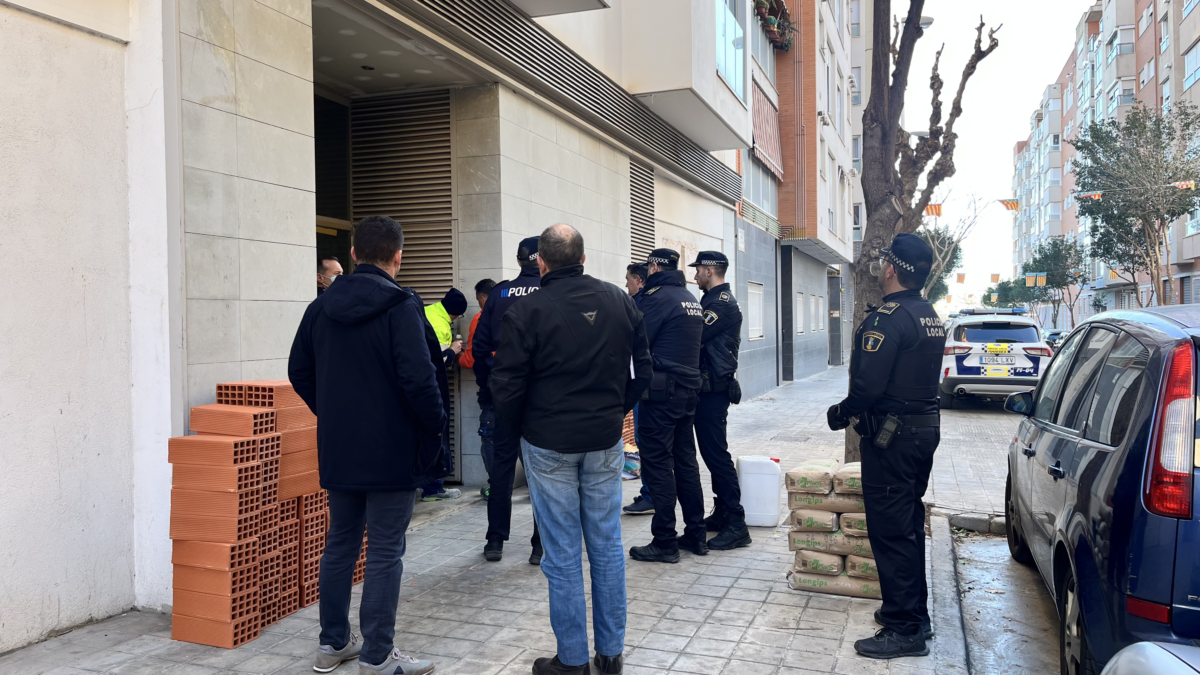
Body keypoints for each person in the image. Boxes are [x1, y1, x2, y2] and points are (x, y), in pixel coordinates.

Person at [491, 224, 652, 675]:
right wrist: (614, 411)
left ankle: (573, 660)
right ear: (583, 259)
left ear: (540, 262)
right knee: (606, 545)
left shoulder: (527, 311)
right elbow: (643, 371)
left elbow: (506, 387)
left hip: (548, 444)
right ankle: (611, 654)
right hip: (604, 441)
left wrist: (523, 430)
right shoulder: (621, 301)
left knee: (562, 554)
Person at [288, 215, 441, 675]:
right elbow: (420, 379)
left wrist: (332, 412)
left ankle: (333, 643)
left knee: (340, 545)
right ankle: (376, 655)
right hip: (392, 450)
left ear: (353, 254)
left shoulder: (320, 306)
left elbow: (299, 371)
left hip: (340, 447)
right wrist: (432, 431)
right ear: (397, 256)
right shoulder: (401, 305)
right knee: (385, 551)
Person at [826, 233, 946, 660]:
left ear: (892, 268)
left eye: (882, 262)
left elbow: (868, 388)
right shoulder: (928, 313)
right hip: (922, 432)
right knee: (908, 523)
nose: (879, 267)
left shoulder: (887, 319)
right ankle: (914, 612)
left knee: (893, 530)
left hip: (892, 438)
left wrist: (841, 412)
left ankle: (905, 628)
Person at [628, 248, 707, 563]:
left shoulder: (656, 298)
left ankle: (664, 542)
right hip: (687, 393)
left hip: (661, 395)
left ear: (654, 267)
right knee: (686, 463)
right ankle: (696, 536)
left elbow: (638, 343)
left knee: (659, 465)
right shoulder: (689, 298)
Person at [473, 237, 544, 563]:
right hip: (542, 400)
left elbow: (479, 347)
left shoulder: (499, 293)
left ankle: (495, 541)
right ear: (543, 260)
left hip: (502, 397)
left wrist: (489, 389)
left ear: (518, 261)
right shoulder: (551, 291)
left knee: (502, 470)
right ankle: (539, 544)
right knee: (541, 472)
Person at [688, 251, 751, 550]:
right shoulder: (710, 301)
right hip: (708, 388)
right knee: (712, 454)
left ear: (710, 270)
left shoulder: (721, 304)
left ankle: (737, 522)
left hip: (714, 390)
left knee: (716, 455)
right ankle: (723, 512)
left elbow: (695, 335)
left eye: (698, 269)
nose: (695, 274)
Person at [420, 288, 467, 502]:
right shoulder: (439, 325)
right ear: (456, 314)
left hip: (418, 386)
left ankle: (426, 483)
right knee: (438, 431)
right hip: (432, 386)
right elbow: (437, 361)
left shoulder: (428, 311)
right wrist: (454, 350)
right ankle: (433, 487)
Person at [621, 263, 656, 516]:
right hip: (647, 382)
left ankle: (651, 494)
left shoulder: (642, 305)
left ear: (639, 280)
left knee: (646, 440)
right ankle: (651, 492)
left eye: (628, 280)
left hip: (643, 383)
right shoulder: (643, 303)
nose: (626, 285)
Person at [461, 279, 497, 500]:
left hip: (492, 390)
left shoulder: (481, 318)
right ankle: (534, 485)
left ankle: (496, 487)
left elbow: (472, 358)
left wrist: (455, 356)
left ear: (482, 298)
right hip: (519, 389)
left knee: (490, 438)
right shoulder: (515, 312)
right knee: (522, 436)